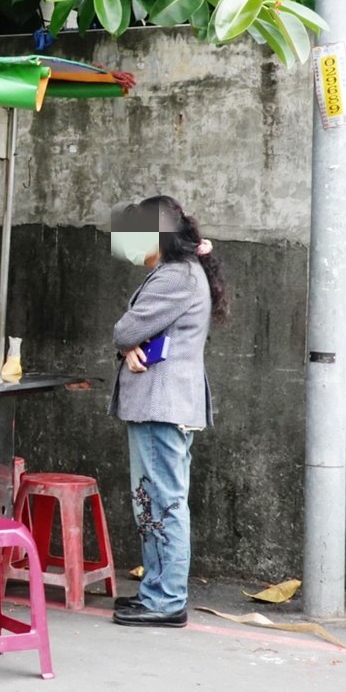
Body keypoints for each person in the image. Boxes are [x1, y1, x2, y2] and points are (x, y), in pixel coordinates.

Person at [107, 195, 228, 628]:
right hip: (163, 403)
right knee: (154, 501)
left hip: (162, 403)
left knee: (162, 502)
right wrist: (129, 347)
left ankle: (166, 598)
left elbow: (127, 327)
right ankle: (156, 591)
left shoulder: (175, 277)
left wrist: (126, 342)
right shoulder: (181, 272)